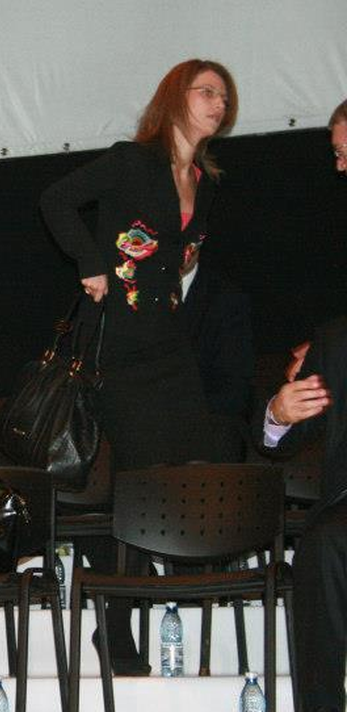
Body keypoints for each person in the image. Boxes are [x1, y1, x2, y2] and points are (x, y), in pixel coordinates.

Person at [39, 58, 238, 674]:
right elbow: (56, 200)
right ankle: (118, 629)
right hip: (119, 343)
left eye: (225, 97)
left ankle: (160, 597)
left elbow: (181, 254)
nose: (219, 104)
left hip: (169, 343)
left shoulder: (204, 180)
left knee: (187, 467)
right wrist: (90, 262)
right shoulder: (133, 161)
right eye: (207, 92)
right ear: (176, 97)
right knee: (138, 484)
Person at [257, 96, 347, 712]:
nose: (338, 167)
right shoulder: (337, 339)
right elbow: (279, 438)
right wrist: (277, 415)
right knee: (326, 544)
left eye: (344, 152)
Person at [179, 238, 254, 460]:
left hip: (204, 432)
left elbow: (235, 393)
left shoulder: (227, 299)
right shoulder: (128, 291)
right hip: (139, 429)